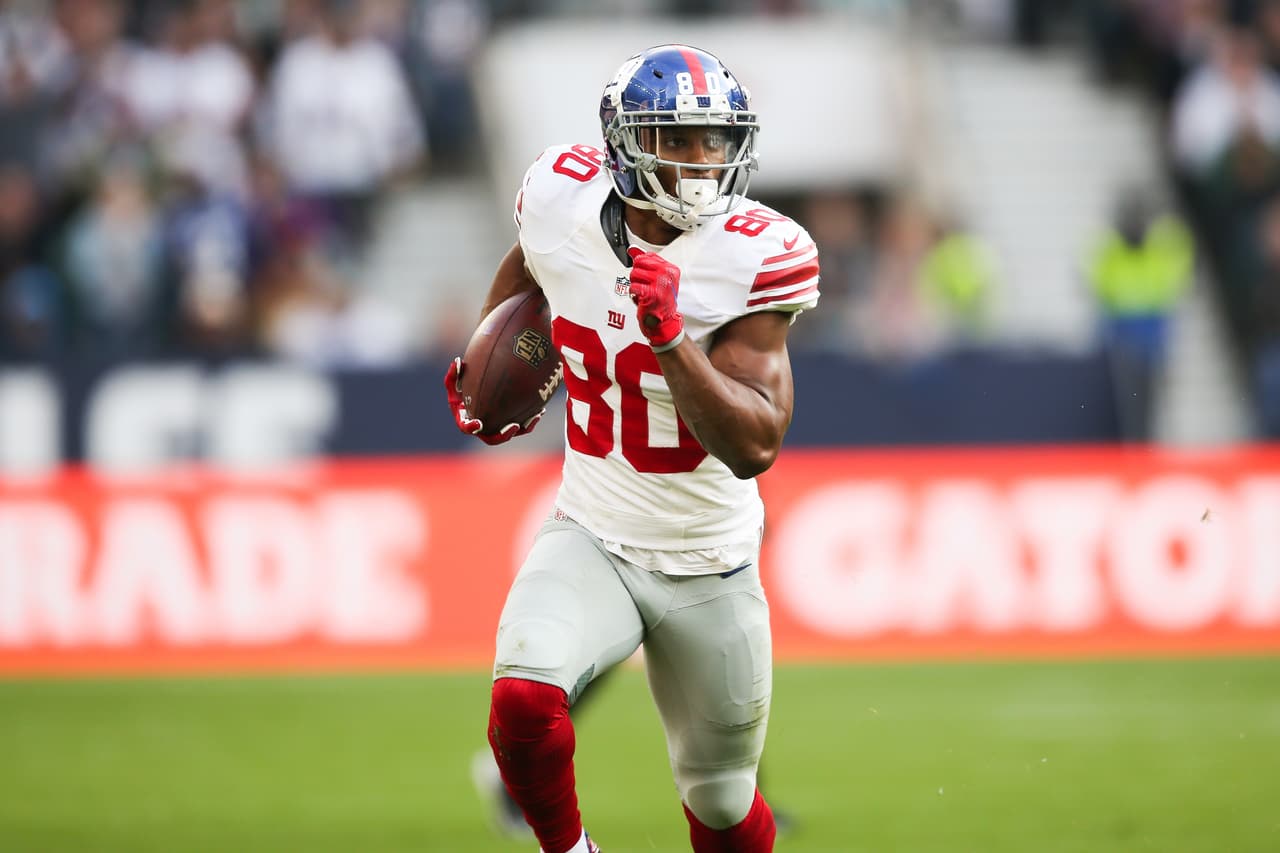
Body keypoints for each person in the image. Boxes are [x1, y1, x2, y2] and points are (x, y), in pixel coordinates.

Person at [444, 44, 819, 853]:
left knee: (722, 802)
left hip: (708, 560)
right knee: (520, 698)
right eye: (676, 140)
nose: (700, 164)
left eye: (715, 142)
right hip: (594, 530)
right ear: (624, 146)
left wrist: (673, 340)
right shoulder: (557, 198)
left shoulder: (757, 254)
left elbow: (756, 443)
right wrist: (495, 369)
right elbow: (531, 271)